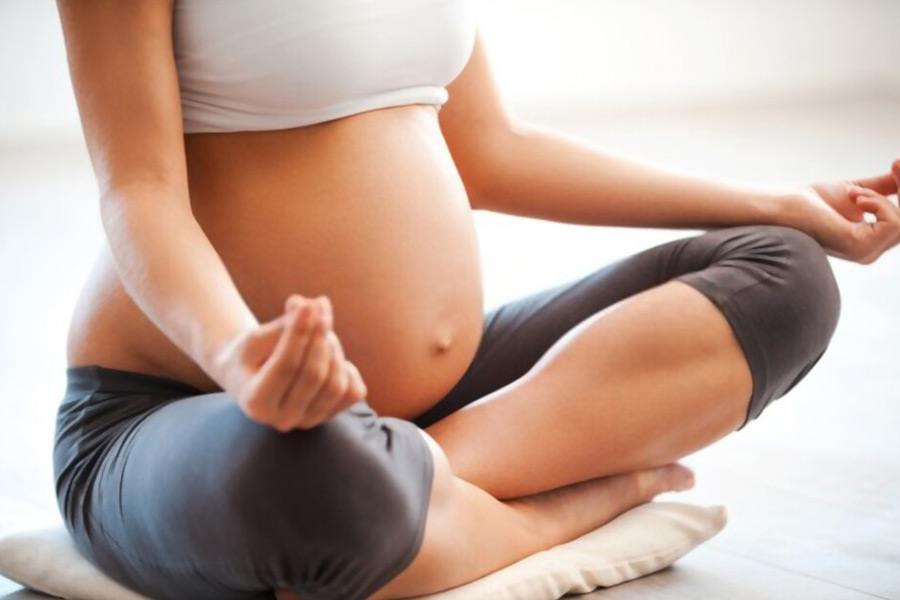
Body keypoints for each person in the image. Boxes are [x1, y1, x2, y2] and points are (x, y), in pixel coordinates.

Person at [52, 1, 900, 600]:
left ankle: (407, 482)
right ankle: (546, 513)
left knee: (784, 278)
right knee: (312, 471)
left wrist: (780, 203)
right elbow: (139, 192)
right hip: (187, 408)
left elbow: (492, 152)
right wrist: (240, 356)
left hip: (419, 405)